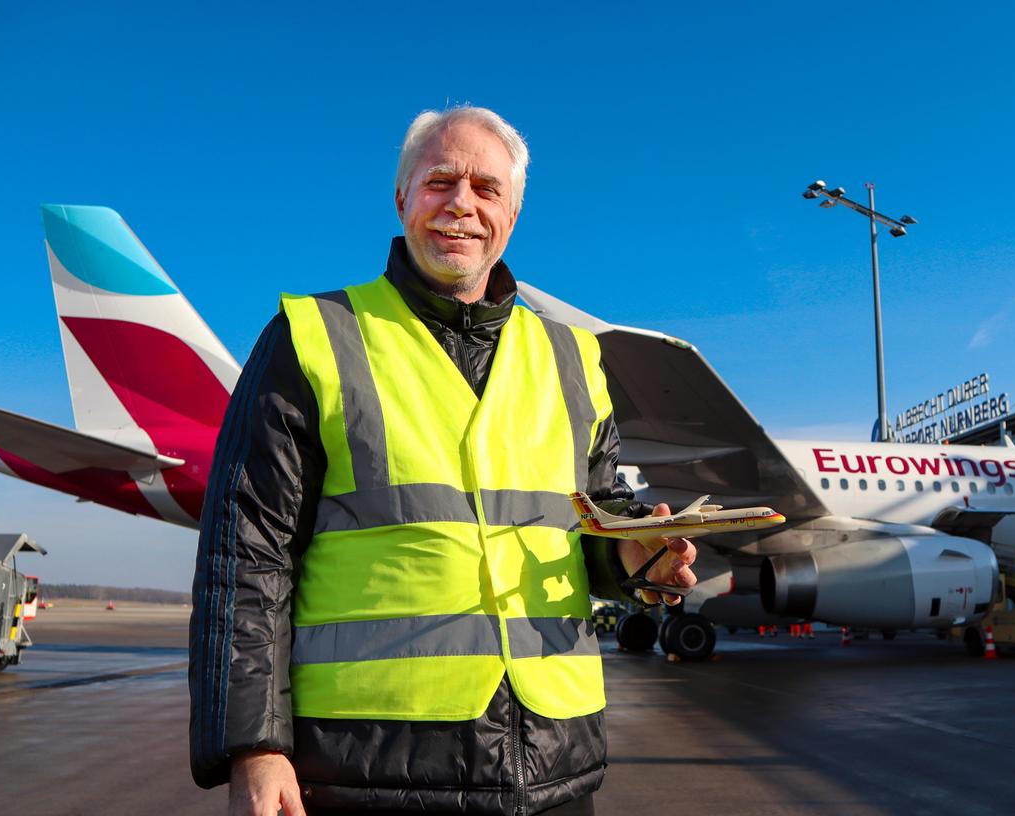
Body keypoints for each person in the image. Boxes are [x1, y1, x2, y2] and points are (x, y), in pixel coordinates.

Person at [189, 106, 697, 816]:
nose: (462, 203)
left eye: (487, 189)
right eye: (439, 181)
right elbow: (246, 561)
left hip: (553, 766)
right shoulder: (313, 337)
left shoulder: (574, 359)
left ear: (512, 215)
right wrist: (254, 745)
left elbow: (589, 527)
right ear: (402, 199)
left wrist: (636, 559)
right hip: (372, 766)